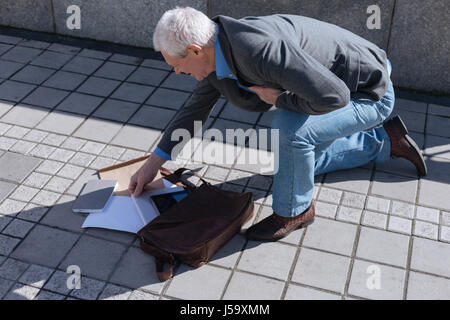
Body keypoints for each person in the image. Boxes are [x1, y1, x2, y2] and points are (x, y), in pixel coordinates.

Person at [128, 7, 427, 241]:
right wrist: (154, 163)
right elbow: (193, 111)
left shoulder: (257, 50)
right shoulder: (217, 50)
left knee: (289, 133)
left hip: (370, 92)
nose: (177, 72)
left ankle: (295, 212)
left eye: (176, 65)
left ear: (194, 50)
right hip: (333, 89)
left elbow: (334, 97)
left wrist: (280, 100)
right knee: (295, 165)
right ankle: (387, 141)